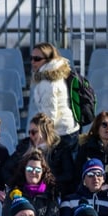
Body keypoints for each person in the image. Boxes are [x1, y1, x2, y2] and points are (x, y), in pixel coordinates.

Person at [29, 43, 81, 192]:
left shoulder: (47, 83)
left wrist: (43, 138)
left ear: (47, 59)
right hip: (67, 131)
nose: (33, 62)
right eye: (31, 58)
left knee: (62, 175)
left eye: (37, 58)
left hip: (61, 134)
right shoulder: (52, 75)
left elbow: (49, 116)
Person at [11, 113, 74, 198]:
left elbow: (69, 175)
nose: (30, 135)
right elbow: (6, 169)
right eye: (29, 132)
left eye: (34, 132)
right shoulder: (25, 146)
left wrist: (47, 183)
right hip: (25, 192)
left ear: (44, 132)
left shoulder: (61, 149)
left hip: (52, 194)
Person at [2, 150, 60, 216]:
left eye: (37, 169)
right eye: (29, 169)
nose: (33, 172)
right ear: (24, 170)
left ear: (43, 172)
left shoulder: (51, 194)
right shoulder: (13, 193)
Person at [75, 111, 108, 199]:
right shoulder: (86, 149)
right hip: (88, 195)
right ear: (97, 129)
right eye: (104, 125)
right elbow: (78, 175)